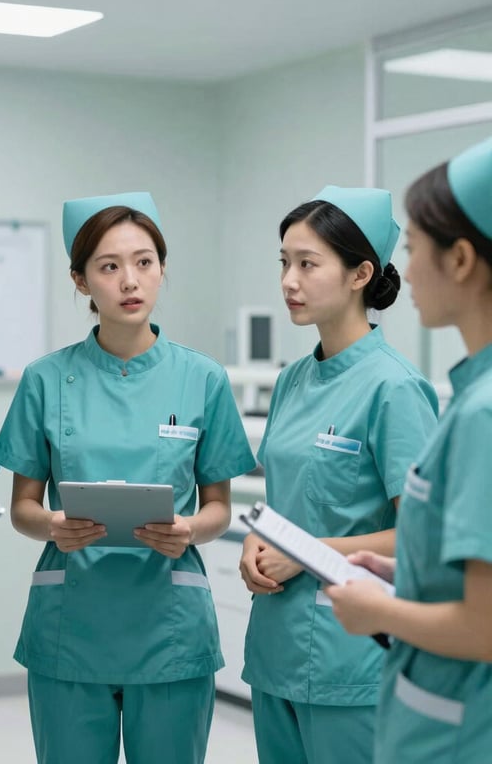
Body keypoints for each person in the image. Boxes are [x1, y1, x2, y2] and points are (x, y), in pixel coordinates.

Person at [0, 191, 256, 764]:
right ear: (82, 281)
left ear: (162, 270)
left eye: (144, 262)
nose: (129, 281)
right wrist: (52, 525)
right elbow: (23, 507)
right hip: (71, 626)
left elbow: (218, 507)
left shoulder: (201, 378)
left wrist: (190, 529)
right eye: (109, 267)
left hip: (169, 626)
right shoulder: (45, 379)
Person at [239, 185, 438, 764]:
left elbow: (421, 539)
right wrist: (261, 539)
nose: (289, 281)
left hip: (352, 657)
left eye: (307, 264)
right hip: (276, 643)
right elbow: (287, 502)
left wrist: (302, 551)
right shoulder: (291, 381)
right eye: (284, 263)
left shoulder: (395, 389)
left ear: (360, 274)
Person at [327, 138, 492, 763]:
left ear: (461, 260)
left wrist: (384, 611)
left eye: (416, 248)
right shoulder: (472, 392)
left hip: (460, 730)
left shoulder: (484, 413)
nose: (406, 271)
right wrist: (411, 576)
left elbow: (486, 625)